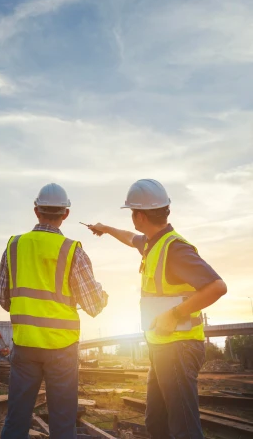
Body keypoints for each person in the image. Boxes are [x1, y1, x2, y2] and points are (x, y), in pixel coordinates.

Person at [88, 179, 227, 439]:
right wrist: (105, 229)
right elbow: (130, 238)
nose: (131, 218)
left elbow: (217, 287)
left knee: (183, 428)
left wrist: (175, 314)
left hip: (179, 348)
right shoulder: (153, 243)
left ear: (139, 216)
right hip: (162, 348)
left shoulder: (175, 249)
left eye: (131, 212)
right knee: (157, 424)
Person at [0, 183, 108, 439]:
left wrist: (26, 310)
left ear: (36, 211)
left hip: (25, 346)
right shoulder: (71, 250)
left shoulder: (15, 246)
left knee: (16, 421)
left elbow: (2, 294)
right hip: (62, 349)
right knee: (63, 425)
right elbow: (94, 305)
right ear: (65, 214)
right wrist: (103, 294)